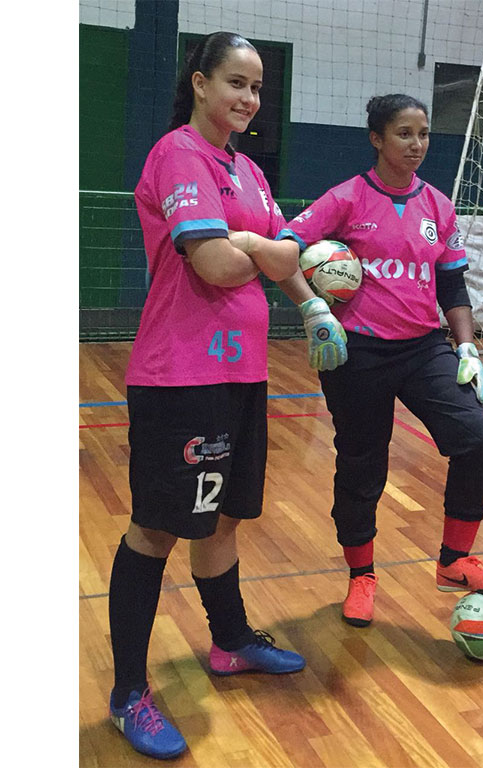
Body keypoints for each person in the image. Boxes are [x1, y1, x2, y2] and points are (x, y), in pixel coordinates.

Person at [107, 32, 307, 760]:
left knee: (222, 519)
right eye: (235, 82)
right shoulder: (178, 155)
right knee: (158, 529)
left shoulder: (248, 170)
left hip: (241, 373)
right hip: (178, 376)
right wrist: (257, 247)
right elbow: (222, 263)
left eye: (257, 88)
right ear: (199, 82)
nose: (248, 98)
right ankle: (130, 693)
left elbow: (291, 255)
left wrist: (285, 275)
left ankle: (229, 643)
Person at [275, 93, 483, 628]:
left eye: (423, 133)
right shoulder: (347, 198)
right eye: (404, 133)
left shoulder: (438, 206)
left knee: (480, 439)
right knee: (362, 465)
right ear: (377, 139)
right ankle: (361, 575)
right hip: (357, 352)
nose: (417, 144)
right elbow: (284, 247)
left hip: (425, 347)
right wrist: (314, 309)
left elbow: (451, 281)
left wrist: (467, 345)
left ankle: (454, 560)